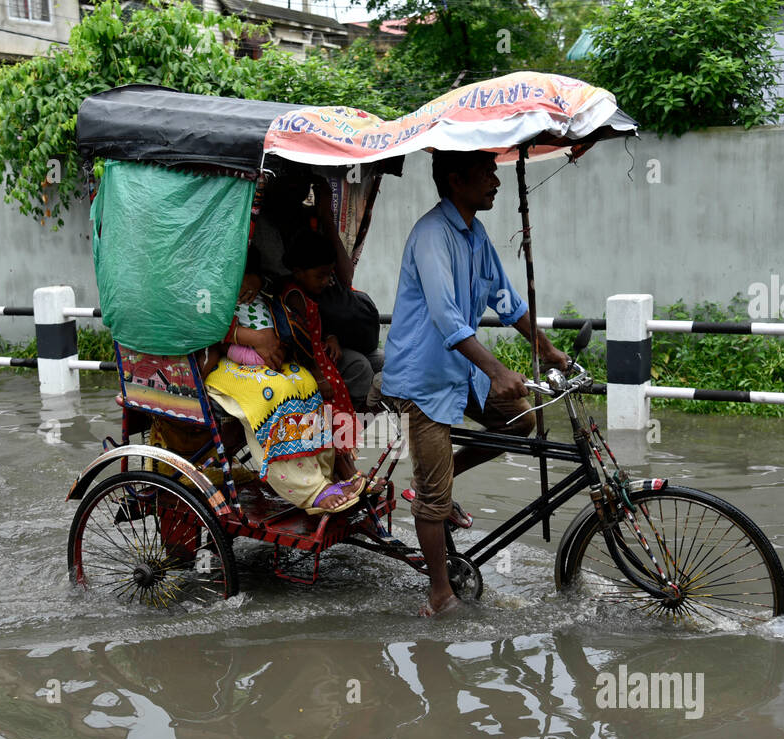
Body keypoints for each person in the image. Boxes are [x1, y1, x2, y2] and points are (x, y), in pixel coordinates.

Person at [381, 150, 569, 617]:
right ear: (454, 179)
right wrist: (497, 370)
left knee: (519, 421)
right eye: (486, 173)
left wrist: (544, 348)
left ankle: (443, 487)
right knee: (433, 495)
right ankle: (440, 594)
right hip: (423, 380)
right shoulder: (431, 236)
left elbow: (504, 297)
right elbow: (446, 316)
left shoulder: (476, 235)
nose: (496, 182)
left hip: (458, 373)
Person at [203, 250, 366, 515]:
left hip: (259, 354)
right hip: (224, 360)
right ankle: (308, 489)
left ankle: (323, 474)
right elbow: (204, 325)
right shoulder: (205, 283)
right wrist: (252, 340)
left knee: (305, 381)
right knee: (276, 392)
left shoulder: (255, 283)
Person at [255, 170, 383, 408]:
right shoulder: (267, 229)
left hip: (336, 332)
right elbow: (301, 329)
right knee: (360, 368)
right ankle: (358, 430)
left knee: (387, 363)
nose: (303, 186)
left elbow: (345, 276)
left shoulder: (312, 221)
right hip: (313, 347)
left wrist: (326, 217)